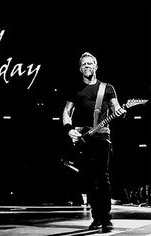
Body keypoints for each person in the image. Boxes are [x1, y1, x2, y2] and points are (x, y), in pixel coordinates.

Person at [62, 52, 126, 232]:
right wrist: (69, 130)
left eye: (90, 63)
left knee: (102, 178)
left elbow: (116, 107)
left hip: (102, 138)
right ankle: (96, 217)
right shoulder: (75, 90)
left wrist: (121, 111)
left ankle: (106, 218)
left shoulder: (107, 88)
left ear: (96, 67)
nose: (87, 66)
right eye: (84, 64)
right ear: (80, 68)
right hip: (83, 140)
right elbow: (66, 112)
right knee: (89, 180)